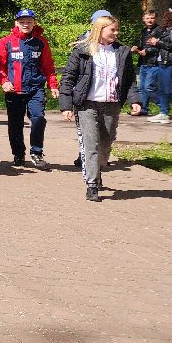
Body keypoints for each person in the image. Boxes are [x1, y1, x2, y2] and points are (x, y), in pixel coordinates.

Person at [58, 14, 135, 202]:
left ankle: (98, 171)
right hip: (86, 104)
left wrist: (135, 99)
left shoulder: (123, 52)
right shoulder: (83, 51)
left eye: (117, 30)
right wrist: (66, 105)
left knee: (105, 145)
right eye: (112, 30)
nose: (116, 33)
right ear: (100, 30)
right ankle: (92, 184)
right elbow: (68, 77)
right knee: (90, 144)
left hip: (112, 104)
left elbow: (129, 80)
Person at [0, 8, 58, 169]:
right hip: (14, 91)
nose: (26, 25)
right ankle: (18, 153)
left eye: (29, 22)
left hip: (35, 89)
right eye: (22, 22)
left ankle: (36, 152)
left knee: (38, 119)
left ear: (34, 23)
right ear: (16, 23)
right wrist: (4, 81)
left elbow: (48, 66)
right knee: (15, 124)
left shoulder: (41, 42)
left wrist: (53, 85)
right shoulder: (6, 42)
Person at [132, 10, 165, 120]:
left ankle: (164, 107)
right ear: (143, 19)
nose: (150, 20)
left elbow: (161, 46)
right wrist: (136, 48)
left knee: (149, 87)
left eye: (152, 18)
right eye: (148, 18)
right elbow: (140, 44)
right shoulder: (143, 31)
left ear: (155, 19)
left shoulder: (160, 30)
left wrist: (148, 51)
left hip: (154, 63)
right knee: (142, 88)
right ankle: (143, 109)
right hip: (143, 63)